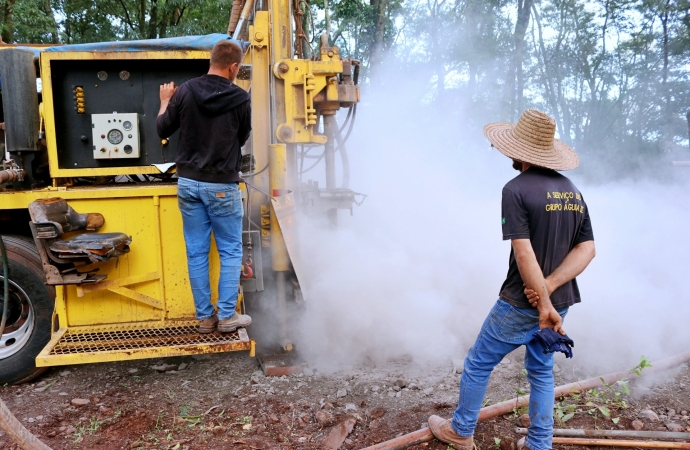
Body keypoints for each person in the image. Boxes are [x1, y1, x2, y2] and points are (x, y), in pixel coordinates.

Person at [428, 109, 596, 450]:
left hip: (522, 302)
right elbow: (588, 249)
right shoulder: (572, 191)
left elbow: (524, 253)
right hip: (560, 302)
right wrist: (550, 293)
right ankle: (539, 444)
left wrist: (540, 298)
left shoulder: (515, 190)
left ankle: (460, 432)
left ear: (518, 151)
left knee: (478, 362)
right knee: (541, 371)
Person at [157, 40, 252, 334]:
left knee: (196, 252)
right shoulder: (240, 98)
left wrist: (164, 101)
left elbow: (163, 129)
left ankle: (204, 319)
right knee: (230, 251)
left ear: (211, 60)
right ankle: (226, 317)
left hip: (188, 183)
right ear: (233, 67)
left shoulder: (184, 90)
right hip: (222, 184)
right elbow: (242, 136)